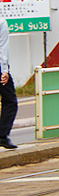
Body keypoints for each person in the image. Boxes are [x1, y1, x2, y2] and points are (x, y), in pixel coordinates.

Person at [0, 15, 18, 149]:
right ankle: (2, 136)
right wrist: (4, 70)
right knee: (10, 101)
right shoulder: (1, 22)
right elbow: (2, 46)